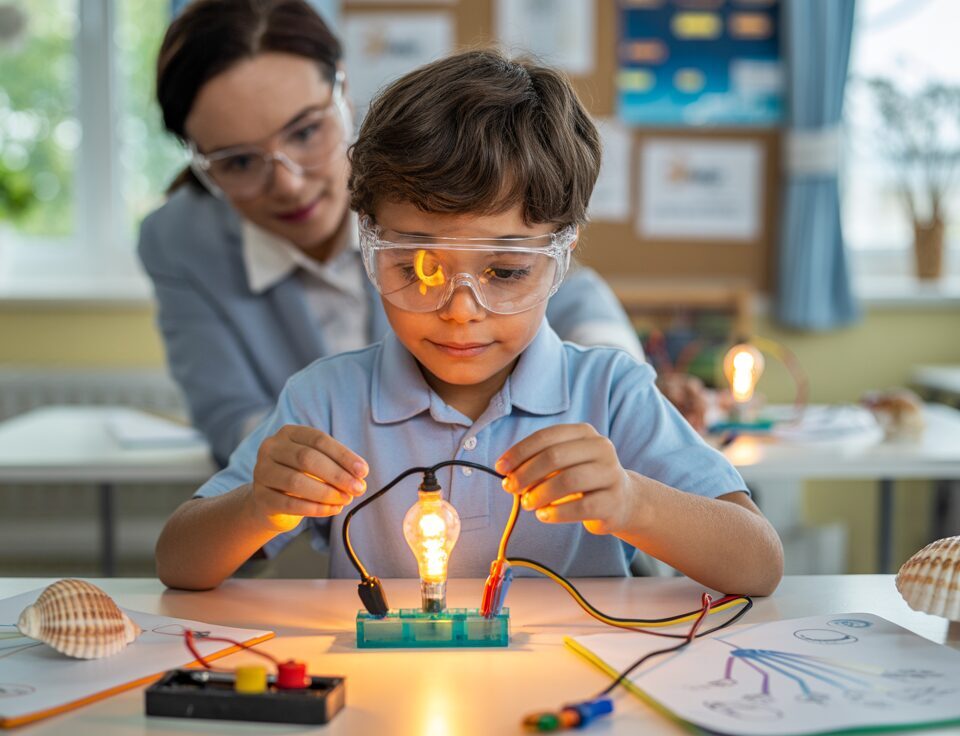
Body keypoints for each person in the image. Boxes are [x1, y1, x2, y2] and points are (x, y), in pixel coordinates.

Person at [156, 49, 783, 597]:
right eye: (420, 269)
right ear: (371, 249)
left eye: (506, 272)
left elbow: (758, 563)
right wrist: (260, 507)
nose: (461, 310)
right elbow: (180, 563)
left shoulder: (610, 394)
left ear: (559, 261)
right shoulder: (326, 400)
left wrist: (632, 500)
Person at [138, 0, 643, 467]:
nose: (288, 183)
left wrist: (628, 404)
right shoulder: (179, 240)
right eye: (240, 161)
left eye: (306, 131)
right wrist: (330, 457)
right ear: (200, 161)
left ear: (343, 91)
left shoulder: (409, 181)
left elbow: (552, 278)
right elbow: (228, 412)